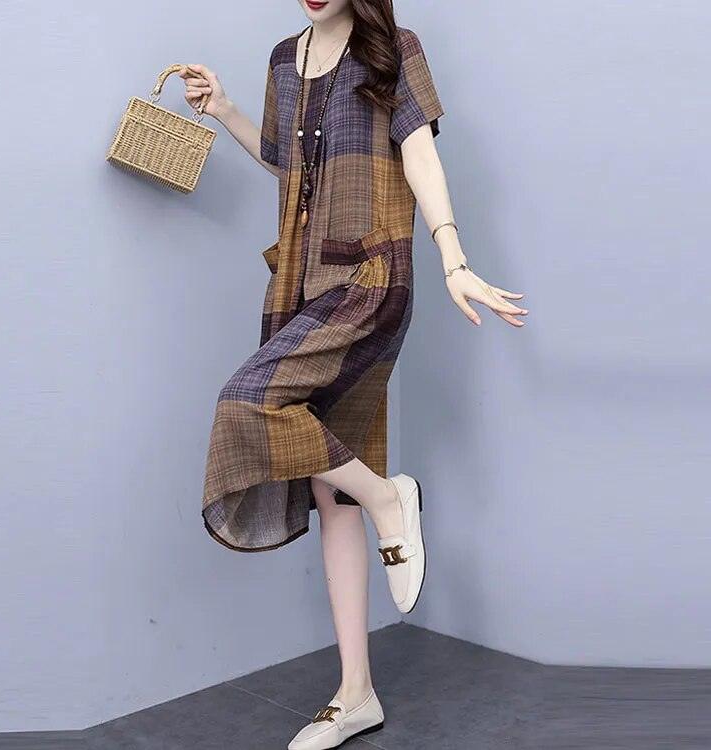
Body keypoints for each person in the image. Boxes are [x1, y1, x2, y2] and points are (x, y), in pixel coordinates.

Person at [182, 1, 527, 747]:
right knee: (332, 489)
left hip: (372, 273)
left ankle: (389, 500)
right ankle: (357, 693)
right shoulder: (284, 59)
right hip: (299, 284)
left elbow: (419, 153)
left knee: (247, 401)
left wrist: (453, 260)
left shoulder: (392, 47)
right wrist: (225, 109)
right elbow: (287, 162)